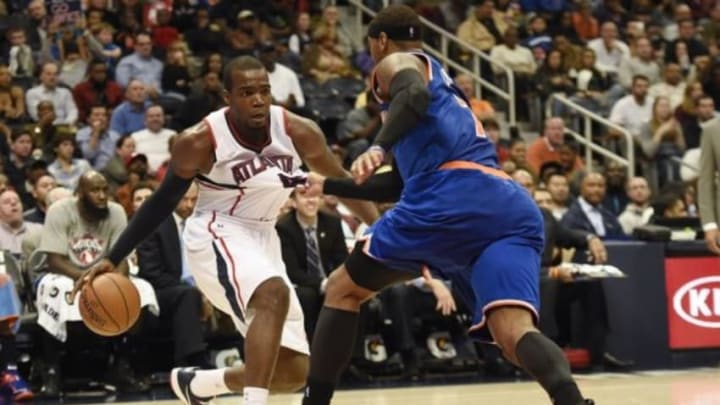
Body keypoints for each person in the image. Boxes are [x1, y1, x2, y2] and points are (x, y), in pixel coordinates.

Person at [301, 5, 592, 405]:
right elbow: (400, 184)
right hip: (508, 205)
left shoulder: (397, 63)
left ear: (380, 41)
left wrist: (378, 145)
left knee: (342, 290)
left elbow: (411, 94)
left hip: (450, 199)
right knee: (513, 333)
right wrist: (330, 183)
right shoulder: (446, 88)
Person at [73, 56, 378, 405]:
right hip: (216, 232)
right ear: (227, 97)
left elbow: (340, 182)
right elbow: (160, 202)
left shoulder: (297, 131)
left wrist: (383, 228)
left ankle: (201, 384)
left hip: (264, 239)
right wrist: (113, 256)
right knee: (273, 293)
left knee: (293, 372)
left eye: (264, 91)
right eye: (247, 92)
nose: (259, 99)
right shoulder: (201, 140)